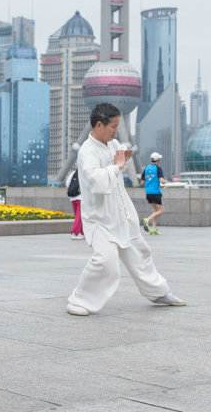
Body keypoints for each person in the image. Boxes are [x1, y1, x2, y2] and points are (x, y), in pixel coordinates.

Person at [66, 102, 186, 316]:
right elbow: (97, 181)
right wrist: (118, 166)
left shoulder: (112, 144)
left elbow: (121, 159)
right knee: (105, 260)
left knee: (140, 253)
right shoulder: (86, 151)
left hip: (122, 212)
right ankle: (79, 300)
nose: (116, 131)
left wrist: (125, 157)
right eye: (113, 127)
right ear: (99, 125)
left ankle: (158, 292)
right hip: (100, 217)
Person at [142, 152, 164, 234]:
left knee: (155, 210)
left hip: (148, 193)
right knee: (161, 211)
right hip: (156, 192)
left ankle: (153, 229)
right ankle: (147, 220)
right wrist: (165, 181)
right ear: (157, 160)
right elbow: (162, 180)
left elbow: (142, 182)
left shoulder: (146, 168)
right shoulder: (158, 168)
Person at [65, 167, 84, 239]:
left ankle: (83, 233)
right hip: (81, 197)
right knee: (79, 217)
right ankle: (74, 233)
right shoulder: (84, 174)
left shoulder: (73, 173)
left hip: (72, 197)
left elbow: (67, 183)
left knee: (78, 216)